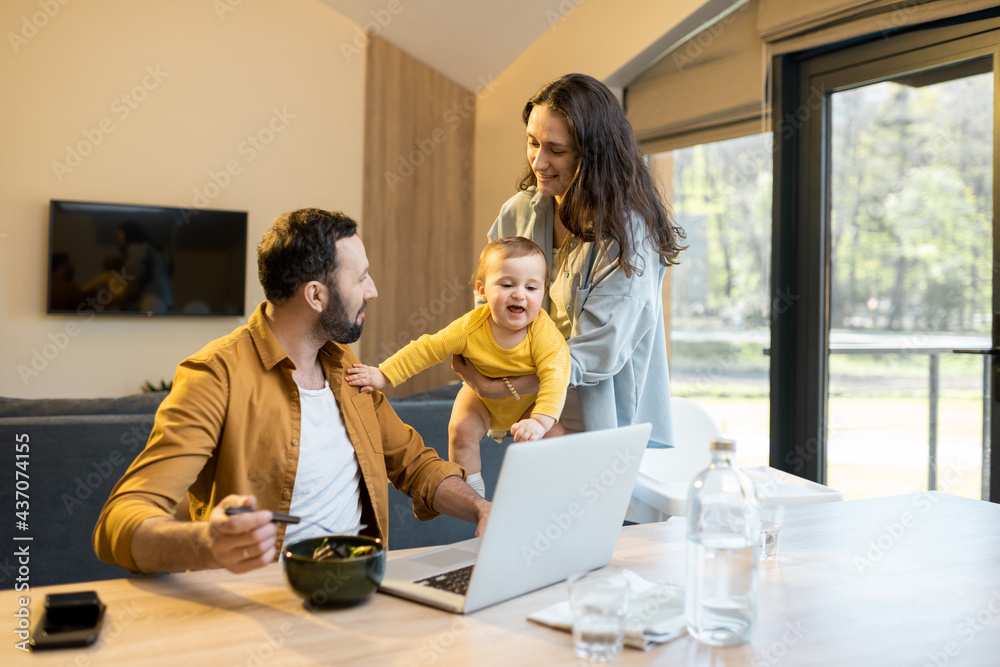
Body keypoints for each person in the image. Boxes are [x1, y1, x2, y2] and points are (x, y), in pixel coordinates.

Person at [93, 208, 490, 575]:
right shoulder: (215, 376)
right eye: (361, 278)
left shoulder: (346, 366)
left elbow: (414, 465)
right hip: (261, 605)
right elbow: (120, 521)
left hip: (359, 589)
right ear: (315, 295)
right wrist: (209, 543)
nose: (372, 290)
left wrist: (481, 509)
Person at [454, 73, 685, 449]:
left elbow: (601, 347)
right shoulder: (519, 212)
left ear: (592, 154)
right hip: (527, 397)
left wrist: (508, 383)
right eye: (532, 143)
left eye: (556, 150)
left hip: (596, 408)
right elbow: (490, 293)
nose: (539, 162)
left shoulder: (628, 231)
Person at [347, 237, 571, 497]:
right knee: (460, 430)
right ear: (482, 289)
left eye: (532, 288)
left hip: (530, 404)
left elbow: (556, 376)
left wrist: (540, 421)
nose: (519, 294)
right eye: (507, 284)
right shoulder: (469, 327)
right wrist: (383, 374)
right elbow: (427, 348)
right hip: (480, 399)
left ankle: (550, 497)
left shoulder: (544, 334)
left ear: (544, 292)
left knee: (556, 438)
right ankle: (474, 498)